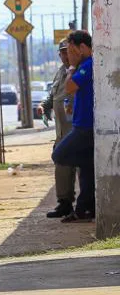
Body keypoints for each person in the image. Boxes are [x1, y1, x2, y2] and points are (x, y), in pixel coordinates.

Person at [50, 30, 95, 222]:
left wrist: (72, 68)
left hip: (85, 126)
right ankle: (85, 209)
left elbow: (70, 87)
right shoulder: (84, 65)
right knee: (86, 173)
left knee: (59, 154)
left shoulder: (87, 65)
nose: (68, 55)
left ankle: (81, 205)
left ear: (82, 48)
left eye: (71, 50)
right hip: (80, 123)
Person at [43, 39, 77, 218]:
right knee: (61, 165)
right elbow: (53, 95)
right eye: (63, 52)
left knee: (79, 166)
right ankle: (64, 203)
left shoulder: (80, 70)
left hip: (76, 129)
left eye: (69, 52)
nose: (66, 56)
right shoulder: (60, 72)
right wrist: (45, 105)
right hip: (61, 130)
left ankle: (86, 205)